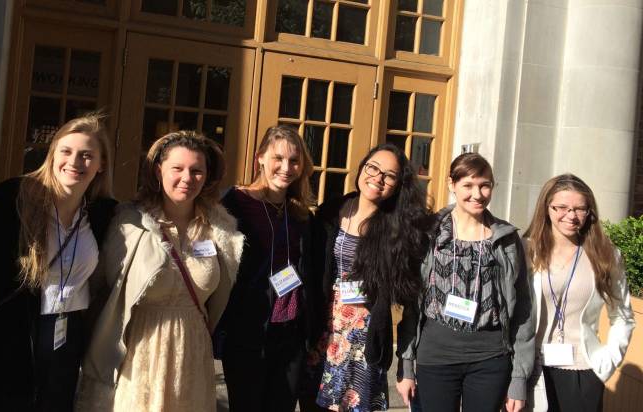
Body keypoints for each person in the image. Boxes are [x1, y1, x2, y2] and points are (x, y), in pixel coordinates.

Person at [76, 131, 244, 412]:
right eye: (177, 168)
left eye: (196, 171)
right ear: (158, 171)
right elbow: (102, 289)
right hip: (140, 354)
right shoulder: (130, 224)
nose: (187, 178)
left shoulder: (218, 229)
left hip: (194, 353)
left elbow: (218, 299)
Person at [0, 114, 117, 412]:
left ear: (101, 165)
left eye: (87, 155)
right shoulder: (13, 200)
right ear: (52, 156)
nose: (75, 162)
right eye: (66, 151)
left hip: (67, 337)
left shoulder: (103, 214)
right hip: (12, 336)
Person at [403, 152, 535, 412]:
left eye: (485, 185)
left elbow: (523, 310)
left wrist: (519, 377)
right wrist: (406, 365)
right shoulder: (428, 234)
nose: (478, 194)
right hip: (436, 356)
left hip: (490, 359)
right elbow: (412, 303)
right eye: (468, 185)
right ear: (451, 184)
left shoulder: (506, 239)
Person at [303, 143, 430, 412]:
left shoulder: (398, 229)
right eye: (373, 168)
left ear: (398, 185)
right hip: (323, 332)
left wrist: (406, 363)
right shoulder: (330, 212)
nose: (378, 178)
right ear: (362, 168)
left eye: (390, 175)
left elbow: (409, 296)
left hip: (364, 340)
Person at [216, 126, 315, 412]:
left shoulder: (300, 213)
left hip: (290, 332)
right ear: (260, 158)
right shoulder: (234, 203)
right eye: (278, 158)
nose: (286, 168)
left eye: (294, 161)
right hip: (247, 331)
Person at [524, 174, 635, 412]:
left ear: (589, 212)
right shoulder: (527, 251)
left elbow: (623, 316)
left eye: (580, 209)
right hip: (531, 368)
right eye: (562, 207)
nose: (571, 215)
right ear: (546, 208)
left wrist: (606, 363)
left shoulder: (605, 255)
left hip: (583, 371)